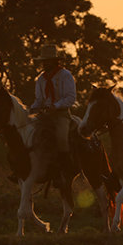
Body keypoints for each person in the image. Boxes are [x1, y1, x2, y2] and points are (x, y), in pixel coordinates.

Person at [30, 43, 77, 187]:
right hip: (45, 116)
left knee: (61, 137)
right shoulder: (40, 79)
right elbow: (39, 100)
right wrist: (31, 110)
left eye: (47, 60)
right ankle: (26, 169)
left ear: (55, 61)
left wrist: (55, 106)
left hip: (61, 115)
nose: (45, 64)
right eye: (43, 61)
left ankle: (64, 169)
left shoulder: (65, 75)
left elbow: (70, 97)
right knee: (29, 133)